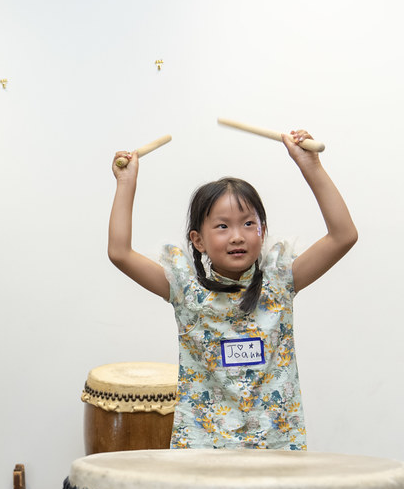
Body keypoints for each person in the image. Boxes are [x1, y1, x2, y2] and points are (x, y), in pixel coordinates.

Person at [107, 130, 357, 450]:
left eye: (248, 224)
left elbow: (343, 236)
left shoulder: (279, 281)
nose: (237, 236)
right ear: (198, 240)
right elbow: (119, 253)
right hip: (203, 448)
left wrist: (311, 165)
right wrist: (126, 183)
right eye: (223, 226)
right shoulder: (185, 289)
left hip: (276, 446)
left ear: (262, 231)